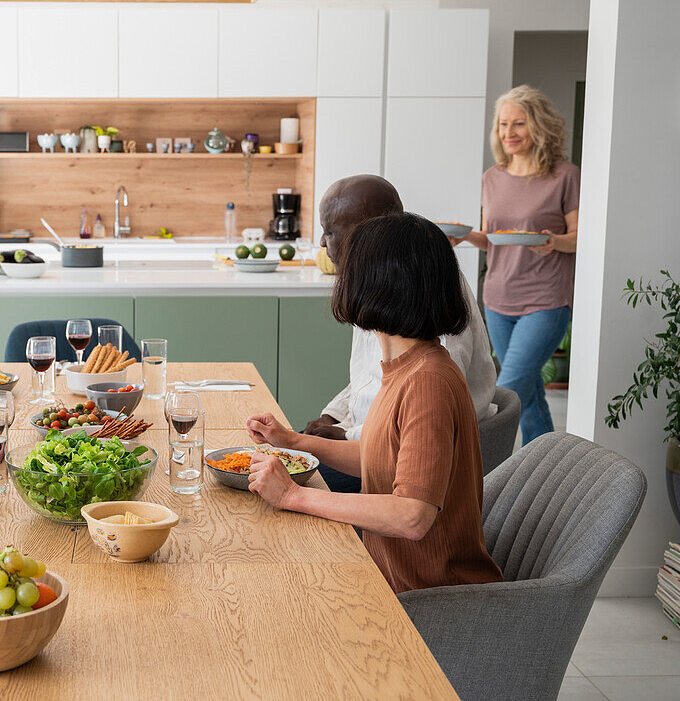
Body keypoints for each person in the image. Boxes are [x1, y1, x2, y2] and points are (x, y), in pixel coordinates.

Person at [246, 213, 504, 594]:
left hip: (432, 600)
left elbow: (412, 516)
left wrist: (293, 496)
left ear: (379, 287)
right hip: (394, 579)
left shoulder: (427, 382)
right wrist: (295, 441)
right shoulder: (407, 367)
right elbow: (380, 454)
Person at [303, 175, 497, 493]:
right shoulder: (378, 279)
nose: (323, 243)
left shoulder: (425, 297)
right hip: (368, 441)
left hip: (403, 457)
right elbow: (372, 378)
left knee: (286, 486)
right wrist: (333, 416)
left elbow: (424, 410)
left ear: (370, 232)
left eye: (330, 231)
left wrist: (343, 439)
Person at [453, 85, 579, 445]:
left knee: (506, 390)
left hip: (545, 300)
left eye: (518, 124)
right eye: (503, 124)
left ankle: (482, 468)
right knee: (530, 395)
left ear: (538, 126)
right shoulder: (492, 177)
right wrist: (466, 237)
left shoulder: (565, 175)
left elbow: (579, 236)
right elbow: (496, 236)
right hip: (497, 299)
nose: (508, 133)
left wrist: (554, 242)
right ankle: (549, 468)